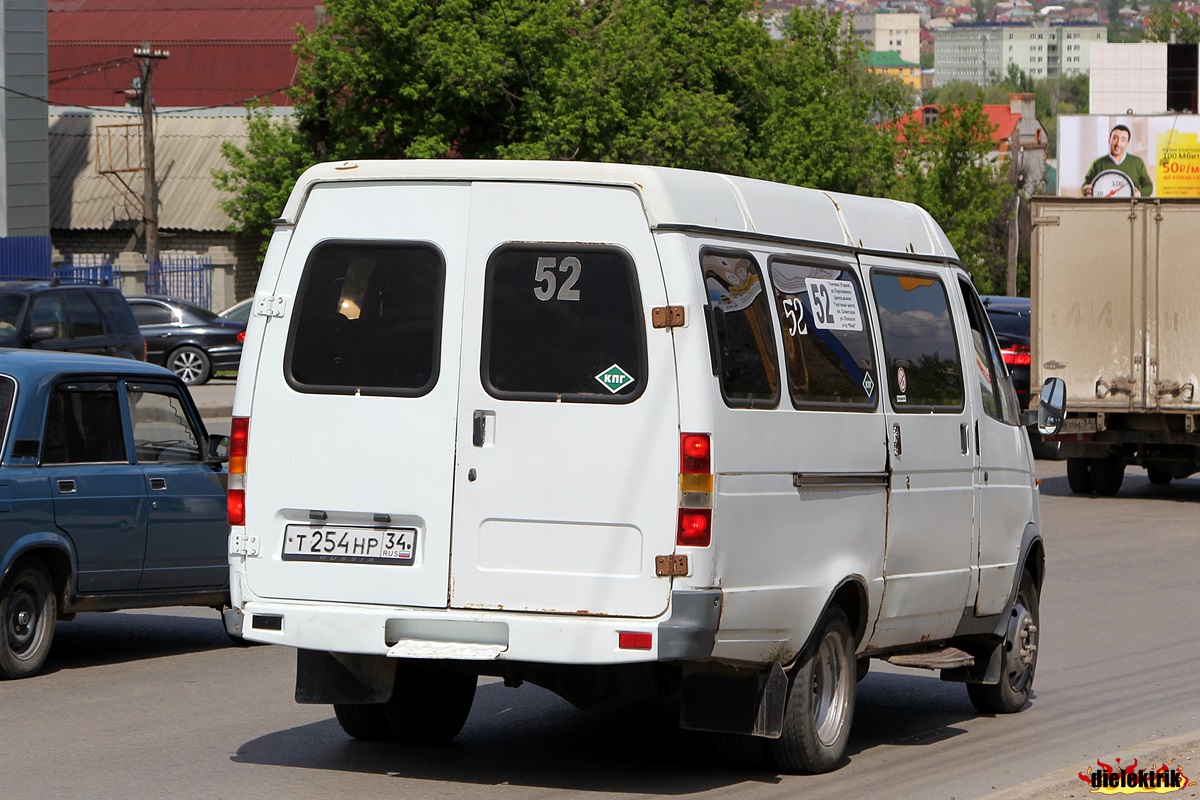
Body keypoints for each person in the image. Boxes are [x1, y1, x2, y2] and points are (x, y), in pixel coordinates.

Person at [1083, 124, 1153, 197]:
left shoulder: (1137, 162)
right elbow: (1085, 185)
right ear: (1109, 140)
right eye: (1115, 138)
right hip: (1104, 206)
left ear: (1127, 143)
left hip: (1131, 207)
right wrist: (1086, 190)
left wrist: (1139, 194)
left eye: (1123, 140)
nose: (1118, 143)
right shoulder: (1098, 163)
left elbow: (1149, 186)